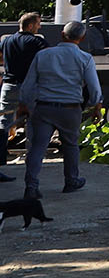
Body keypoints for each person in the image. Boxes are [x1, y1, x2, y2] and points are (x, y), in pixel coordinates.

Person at [17, 20, 100, 199]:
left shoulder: (43, 55)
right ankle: (71, 181)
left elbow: (28, 84)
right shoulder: (85, 58)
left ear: (62, 34)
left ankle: (31, 186)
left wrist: (24, 104)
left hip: (43, 108)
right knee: (70, 146)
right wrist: (95, 106)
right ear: (82, 38)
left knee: (38, 147)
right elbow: (94, 88)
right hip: (70, 110)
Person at [0, 11, 46, 181]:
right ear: (31, 25)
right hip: (29, 87)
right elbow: (47, 60)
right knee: (33, 124)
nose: (39, 27)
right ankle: (32, 164)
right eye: (38, 24)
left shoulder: (6, 41)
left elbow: (0, 58)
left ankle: (0, 164)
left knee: (3, 125)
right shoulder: (37, 42)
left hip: (9, 86)